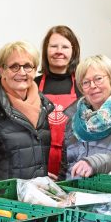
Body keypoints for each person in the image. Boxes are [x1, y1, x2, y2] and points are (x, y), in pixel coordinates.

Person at [0, 41, 53, 183]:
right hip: (4, 201)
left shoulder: (43, 106)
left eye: (27, 66)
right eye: (14, 66)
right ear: (2, 70)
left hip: (34, 198)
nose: (21, 72)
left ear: (35, 70)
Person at [35, 26, 81, 179]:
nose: (59, 51)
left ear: (73, 51)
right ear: (45, 50)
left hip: (73, 160)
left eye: (65, 47)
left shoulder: (83, 85)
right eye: (54, 46)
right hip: (38, 159)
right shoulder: (32, 85)